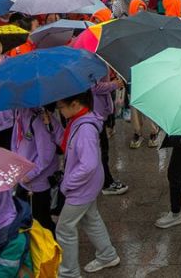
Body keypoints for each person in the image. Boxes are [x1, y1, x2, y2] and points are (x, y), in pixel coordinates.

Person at [55, 89, 121, 276]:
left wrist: (68, 182)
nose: (60, 111)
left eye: (61, 107)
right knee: (91, 219)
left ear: (75, 104)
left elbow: (89, 164)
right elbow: (64, 143)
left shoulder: (84, 129)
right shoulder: (78, 121)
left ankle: (69, 272)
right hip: (88, 185)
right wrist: (51, 123)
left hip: (81, 187)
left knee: (64, 229)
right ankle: (107, 255)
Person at [11, 106, 62, 232]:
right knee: (24, 217)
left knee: (42, 222)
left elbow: (46, 155)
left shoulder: (38, 119)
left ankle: (50, 248)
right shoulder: (20, 112)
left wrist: (30, 174)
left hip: (38, 182)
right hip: (24, 178)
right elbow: (15, 143)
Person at [92, 70, 130, 193]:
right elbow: (94, 87)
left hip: (99, 113)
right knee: (101, 151)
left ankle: (103, 180)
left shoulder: (97, 61)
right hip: (95, 114)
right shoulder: (92, 62)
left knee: (102, 149)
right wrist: (114, 84)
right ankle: (106, 184)